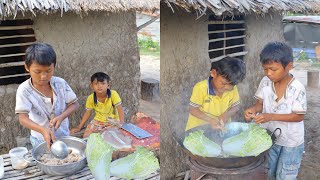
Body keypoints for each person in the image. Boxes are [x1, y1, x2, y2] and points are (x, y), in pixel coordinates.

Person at [244, 42, 306, 180]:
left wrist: (270, 116)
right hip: (270, 137)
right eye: (265, 69)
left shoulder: (297, 88)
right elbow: (260, 104)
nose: (268, 73)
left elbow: (298, 116)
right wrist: (252, 110)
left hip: (291, 142)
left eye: (273, 69)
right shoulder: (266, 82)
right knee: (269, 172)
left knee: (285, 175)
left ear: (289, 66)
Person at [15, 43, 79, 149]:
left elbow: (75, 104)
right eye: (37, 72)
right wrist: (42, 130)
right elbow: (23, 118)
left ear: (54, 66)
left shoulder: (60, 83)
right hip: (40, 139)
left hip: (63, 135)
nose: (43, 76)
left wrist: (62, 116)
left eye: (49, 71)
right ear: (27, 67)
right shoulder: (24, 90)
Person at [185, 56, 246, 131]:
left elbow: (236, 107)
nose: (227, 88)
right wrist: (210, 120)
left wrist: (226, 115)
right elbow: (193, 109)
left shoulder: (232, 89)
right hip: (199, 130)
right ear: (214, 73)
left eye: (231, 85)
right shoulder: (201, 88)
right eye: (223, 83)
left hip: (222, 129)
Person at [70, 72, 124, 138]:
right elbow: (87, 113)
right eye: (96, 84)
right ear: (91, 86)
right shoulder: (91, 98)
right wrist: (79, 127)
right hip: (98, 121)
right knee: (86, 137)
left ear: (108, 85)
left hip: (113, 121)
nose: (99, 86)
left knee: (108, 138)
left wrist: (121, 124)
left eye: (103, 83)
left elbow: (120, 109)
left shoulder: (113, 94)